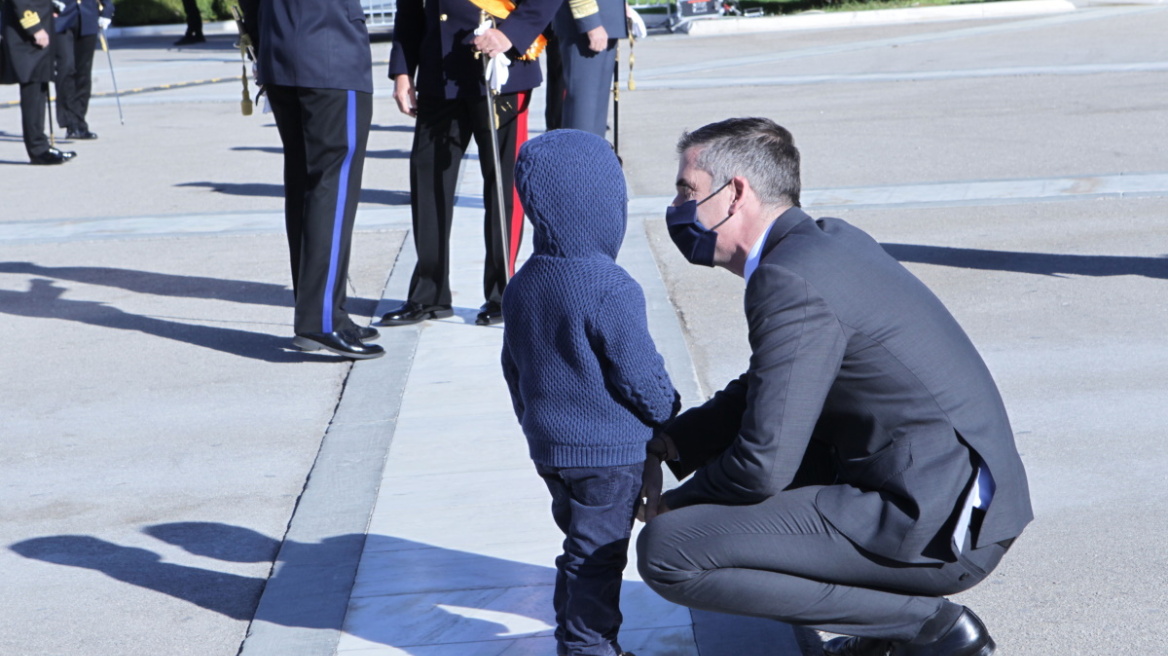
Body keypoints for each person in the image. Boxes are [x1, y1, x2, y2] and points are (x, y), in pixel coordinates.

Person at [635, 117, 1033, 656]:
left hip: (937, 525)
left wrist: (676, 505)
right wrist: (673, 443)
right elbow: (767, 386)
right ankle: (881, 635)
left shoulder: (788, 279)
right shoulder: (824, 244)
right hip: (947, 492)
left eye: (688, 191)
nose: (678, 207)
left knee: (670, 550)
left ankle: (928, 630)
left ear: (735, 194)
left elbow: (761, 465)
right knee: (749, 476)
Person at [501, 129, 679, 656]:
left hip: (552, 450)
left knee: (577, 549)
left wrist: (536, 425)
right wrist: (669, 415)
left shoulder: (523, 282)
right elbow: (639, 373)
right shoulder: (608, 284)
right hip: (610, 454)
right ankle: (589, 647)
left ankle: (573, 638)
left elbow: (514, 369)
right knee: (599, 556)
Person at [379, 0, 559, 328]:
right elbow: (409, 8)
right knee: (428, 182)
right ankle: (428, 294)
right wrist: (403, 69)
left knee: (503, 187)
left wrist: (511, 33)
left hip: (499, 68)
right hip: (439, 72)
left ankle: (503, 294)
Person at [239, 0, 384, 359]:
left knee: (305, 186)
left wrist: (263, 42)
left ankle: (322, 311)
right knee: (332, 189)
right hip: (330, 55)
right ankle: (320, 320)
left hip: (280, 54)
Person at [1, 0, 77, 164]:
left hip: (37, 32)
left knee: (39, 90)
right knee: (33, 92)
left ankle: (42, 146)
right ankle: (38, 149)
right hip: (26, 36)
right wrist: (34, 28)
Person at [552, 0, 626, 137]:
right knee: (583, 112)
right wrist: (590, 22)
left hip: (603, 21)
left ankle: (592, 156)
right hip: (587, 25)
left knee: (596, 113)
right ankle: (578, 157)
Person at [54, 0, 114, 140]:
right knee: (66, 68)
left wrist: (107, 10)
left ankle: (80, 121)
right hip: (61, 18)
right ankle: (70, 122)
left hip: (87, 16)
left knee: (83, 73)